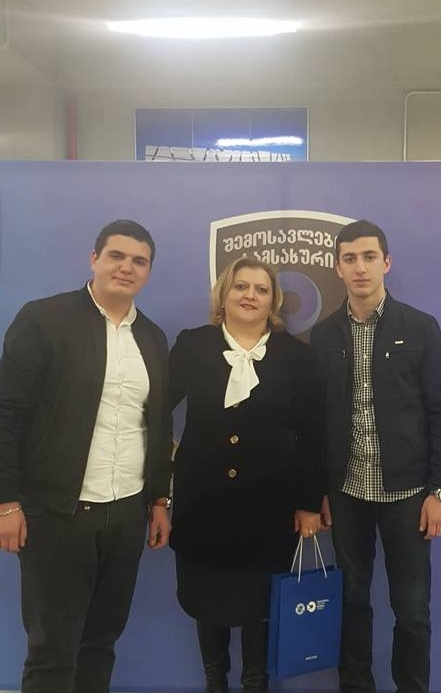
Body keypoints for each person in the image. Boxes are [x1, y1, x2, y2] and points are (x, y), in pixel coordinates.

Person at [0, 219, 172, 693]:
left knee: (100, 643)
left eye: (139, 261)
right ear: (94, 259)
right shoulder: (44, 319)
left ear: (149, 271)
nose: (126, 267)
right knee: (52, 651)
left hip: (126, 514)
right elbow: (4, 413)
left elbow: (158, 425)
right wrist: (5, 501)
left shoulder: (152, 337)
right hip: (57, 515)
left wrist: (158, 500)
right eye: (116, 256)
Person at [310, 220, 441, 693]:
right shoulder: (324, 335)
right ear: (338, 268)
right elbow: (316, 421)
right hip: (348, 493)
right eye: (350, 259)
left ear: (386, 263)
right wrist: (319, 492)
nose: (360, 268)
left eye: (369, 257)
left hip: (409, 495)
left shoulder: (420, 328)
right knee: (352, 602)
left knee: (412, 612)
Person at [169, 256, 324, 693]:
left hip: (269, 510)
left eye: (261, 289)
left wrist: (308, 503)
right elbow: (153, 408)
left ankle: (256, 684)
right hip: (202, 507)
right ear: (224, 294)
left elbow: (313, 434)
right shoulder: (193, 345)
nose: (250, 295)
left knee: (261, 608)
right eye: (241, 286)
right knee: (208, 604)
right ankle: (214, 683)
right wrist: (165, 468)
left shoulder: (297, 356)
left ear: (274, 301)